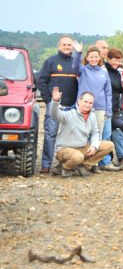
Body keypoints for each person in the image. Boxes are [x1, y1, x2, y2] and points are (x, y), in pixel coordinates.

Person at [37, 35, 79, 173]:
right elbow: (41, 81)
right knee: (50, 134)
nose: (67, 47)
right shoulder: (51, 61)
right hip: (54, 105)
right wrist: (49, 100)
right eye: (64, 44)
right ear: (59, 46)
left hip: (71, 106)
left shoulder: (75, 63)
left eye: (69, 45)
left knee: (70, 136)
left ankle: (64, 164)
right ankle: (46, 164)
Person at [49, 88, 113, 177]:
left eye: (90, 103)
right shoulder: (69, 113)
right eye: (85, 101)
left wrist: (94, 146)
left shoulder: (92, 116)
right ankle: (64, 167)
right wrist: (55, 101)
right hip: (64, 149)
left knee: (109, 145)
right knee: (77, 157)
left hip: (81, 148)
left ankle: (84, 165)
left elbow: (95, 132)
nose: (88, 105)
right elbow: (55, 114)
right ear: (79, 101)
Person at [72, 43, 112, 137]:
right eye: (91, 57)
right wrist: (78, 53)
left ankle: (95, 151)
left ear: (99, 58)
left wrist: (108, 109)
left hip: (99, 108)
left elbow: (108, 92)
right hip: (83, 107)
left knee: (97, 135)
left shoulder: (104, 72)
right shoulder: (83, 70)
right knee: (82, 134)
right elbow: (75, 67)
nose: (94, 59)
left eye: (96, 57)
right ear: (87, 58)